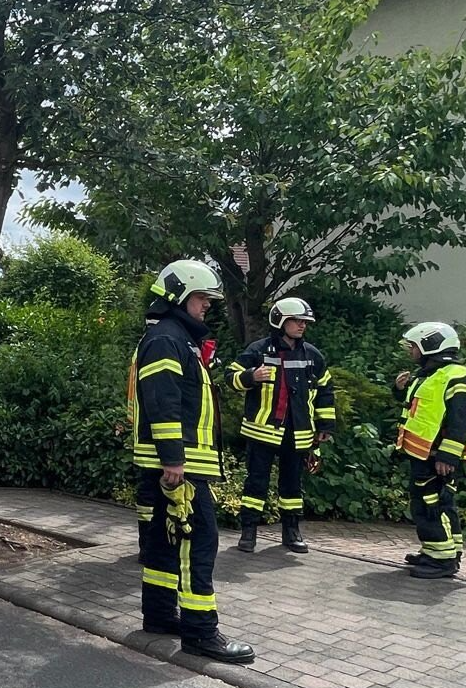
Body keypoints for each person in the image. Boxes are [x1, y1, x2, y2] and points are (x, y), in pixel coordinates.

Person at [128, 259, 254, 664]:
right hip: (178, 467)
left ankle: (161, 616)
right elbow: (164, 403)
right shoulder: (168, 339)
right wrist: (174, 461)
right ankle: (201, 633)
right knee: (198, 543)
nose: (207, 306)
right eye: (201, 298)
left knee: (164, 543)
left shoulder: (174, 338)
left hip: (172, 464)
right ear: (179, 297)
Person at [225, 297, 336, 554]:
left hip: (297, 432)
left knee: (292, 485)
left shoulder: (312, 356)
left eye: (304, 322)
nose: (302, 326)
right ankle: (249, 532)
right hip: (262, 430)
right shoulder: (258, 350)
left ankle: (291, 532)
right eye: (297, 321)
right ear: (280, 321)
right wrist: (250, 376)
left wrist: (325, 425)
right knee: (256, 483)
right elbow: (230, 377)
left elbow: (325, 391)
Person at [394, 322, 466, 579]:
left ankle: (443, 561)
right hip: (424, 453)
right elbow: (420, 411)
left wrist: (448, 455)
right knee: (431, 503)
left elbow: (462, 417)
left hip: (437, 456)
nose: (411, 351)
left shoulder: (456, 375)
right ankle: (437, 551)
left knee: (433, 504)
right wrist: (399, 390)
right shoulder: (429, 374)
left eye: (413, 346)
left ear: (430, 345)